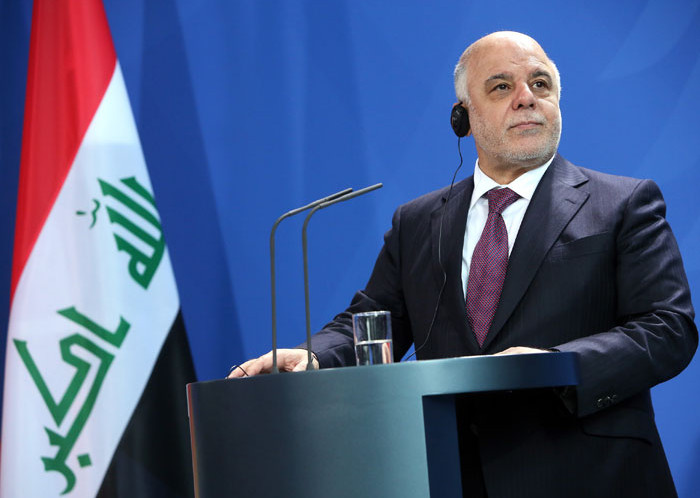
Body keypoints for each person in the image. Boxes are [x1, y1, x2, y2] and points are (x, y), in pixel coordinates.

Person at [229, 31, 697, 497]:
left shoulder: (622, 203)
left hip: (591, 475)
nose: (526, 98)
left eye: (540, 84)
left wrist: (556, 365)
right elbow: (373, 321)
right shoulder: (417, 222)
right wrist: (314, 356)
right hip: (451, 475)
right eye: (501, 87)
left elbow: (668, 328)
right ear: (464, 118)